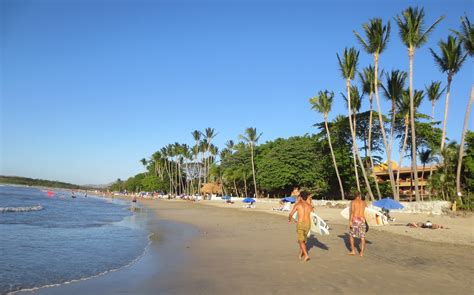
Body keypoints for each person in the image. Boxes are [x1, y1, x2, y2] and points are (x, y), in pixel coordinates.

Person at [288, 191, 313, 262]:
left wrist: (289, 220)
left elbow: (291, 214)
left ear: (301, 197)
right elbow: (313, 216)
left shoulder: (298, 205)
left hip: (300, 223)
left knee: (301, 241)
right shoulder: (309, 206)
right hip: (308, 224)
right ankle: (301, 252)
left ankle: (306, 255)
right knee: (303, 240)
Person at [348, 191, 367, 257]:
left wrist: (350, 221)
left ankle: (353, 251)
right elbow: (367, 211)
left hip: (355, 220)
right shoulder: (364, 202)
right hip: (362, 219)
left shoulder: (353, 202)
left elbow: (352, 212)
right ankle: (361, 253)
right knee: (362, 236)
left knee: (351, 235)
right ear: (359, 195)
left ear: (355, 195)